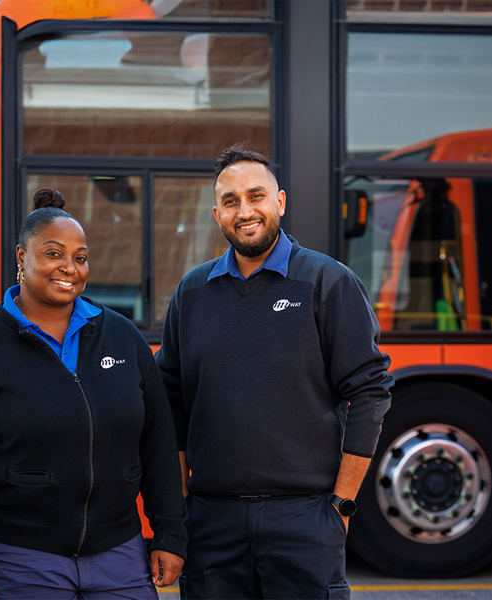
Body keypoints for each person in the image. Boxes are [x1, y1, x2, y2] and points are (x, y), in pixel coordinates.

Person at [155, 146, 393, 599]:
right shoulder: (192, 292)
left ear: (280, 202)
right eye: (231, 201)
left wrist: (341, 505)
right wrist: (180, 507)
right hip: (212, 522)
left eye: (256, 196)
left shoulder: (328, 282)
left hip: (305, 520)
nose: (245, 211)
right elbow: (171, 400)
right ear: (217, 213)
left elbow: (370, 389)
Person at [0, 188, 187, 600]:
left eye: (80, 257)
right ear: (21, 257)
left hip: (119, 554)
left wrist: (170, 532)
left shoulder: (122, 338)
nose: (69, 267)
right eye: (53, 253)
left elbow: (158, 441)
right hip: (20, 558)